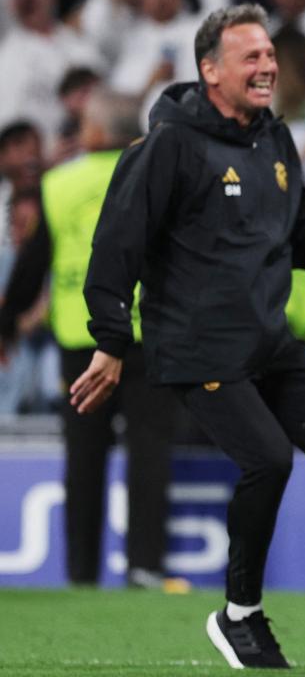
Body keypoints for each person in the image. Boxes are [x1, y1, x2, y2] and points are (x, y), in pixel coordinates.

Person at [76, 5, 305, 671]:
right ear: (209, 70)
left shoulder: (274, 140)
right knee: (269, 460)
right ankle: (240, 615)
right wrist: (110, 340)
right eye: (251, 57)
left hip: (267, 341)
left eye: (270, 55)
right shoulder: (169, 146)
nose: (268, 67)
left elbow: (299, 235)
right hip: (196, 344)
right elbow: (116, 244)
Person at [0, 89, 181, 591]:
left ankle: (81, 572)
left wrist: (7, 321)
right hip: (151, 335)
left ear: (95, 131)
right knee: (150, 450)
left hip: (82, 337)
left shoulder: (59, 183)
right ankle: (145, 566)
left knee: (84, 456)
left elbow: (35, 258)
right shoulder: (161, 176)